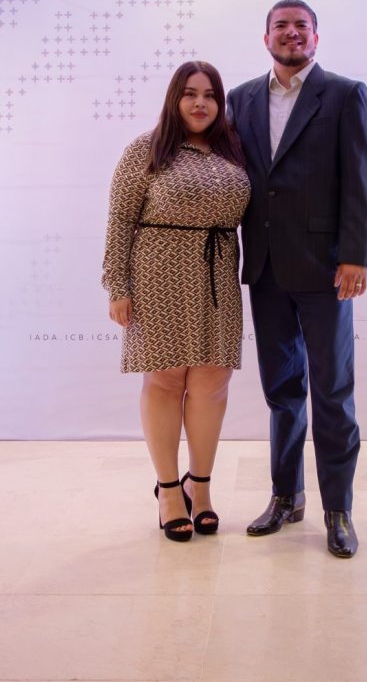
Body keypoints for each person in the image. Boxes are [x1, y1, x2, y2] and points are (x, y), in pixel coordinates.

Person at [226, 0, 367, 558]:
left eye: (301, 26)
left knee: (332, 392)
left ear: (316, 36)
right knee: (282, 391)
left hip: (326, 267)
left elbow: (360, 177)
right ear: (265, 37)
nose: (291, 33)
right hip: (264, 266)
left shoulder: (343, 94)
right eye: (281, 26)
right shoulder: (241, 98)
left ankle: (339, 510)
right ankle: (286, 497)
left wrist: (355, 255)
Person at [102, 61, 250, 542]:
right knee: (165, 380)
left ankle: (199, 486)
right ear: (174, 98)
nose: (200, 103)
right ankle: (168, 490)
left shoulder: (235, 150)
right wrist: (117, 285)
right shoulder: (146, 149)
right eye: (190, 93)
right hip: (157, 272)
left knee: (212, 382)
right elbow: (120, 220)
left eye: (210, 95)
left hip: (217, 273)